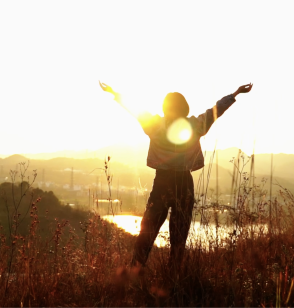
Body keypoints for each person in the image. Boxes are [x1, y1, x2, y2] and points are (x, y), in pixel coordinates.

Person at [99, 81, 253, 270]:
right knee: (179, 237)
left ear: (165, 109)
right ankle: (174, 276)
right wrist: (235, 93)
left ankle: (134, 271)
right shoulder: (194, 125)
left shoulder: (155, 125)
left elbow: (135, 110)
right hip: (184, 183)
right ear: (184, 109)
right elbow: (215, 111)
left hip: (161, 183)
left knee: (147, 231)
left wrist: (114, 93)